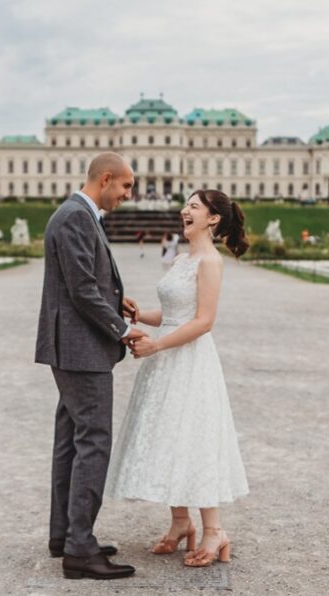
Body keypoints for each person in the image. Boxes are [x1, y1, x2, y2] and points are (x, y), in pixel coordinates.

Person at [106, 189, 250, 568]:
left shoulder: (210, 262)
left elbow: (203, 321)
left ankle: (215, 530)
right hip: (168, 356)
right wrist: (137, 314)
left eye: (193, 206)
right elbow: (173, 312)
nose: (184, 210)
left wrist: (157, 346)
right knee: (170, 436)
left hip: (189, 359)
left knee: (195, 437)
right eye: (186, 205)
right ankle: (181, 522)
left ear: (213, 218)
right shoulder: (184, 258)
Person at [34, 152, 145, 581]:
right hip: (81, 350)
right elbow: (81, 289)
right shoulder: (77, 217)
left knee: (71, 437)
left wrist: (118, 301)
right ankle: (80, 549)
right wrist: (121, 329)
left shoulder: (76, 214)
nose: (128, 195)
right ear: (105, 179)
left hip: (71, 347)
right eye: (125, 186)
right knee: (94, 440)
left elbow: (81, 281)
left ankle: (65, 534)